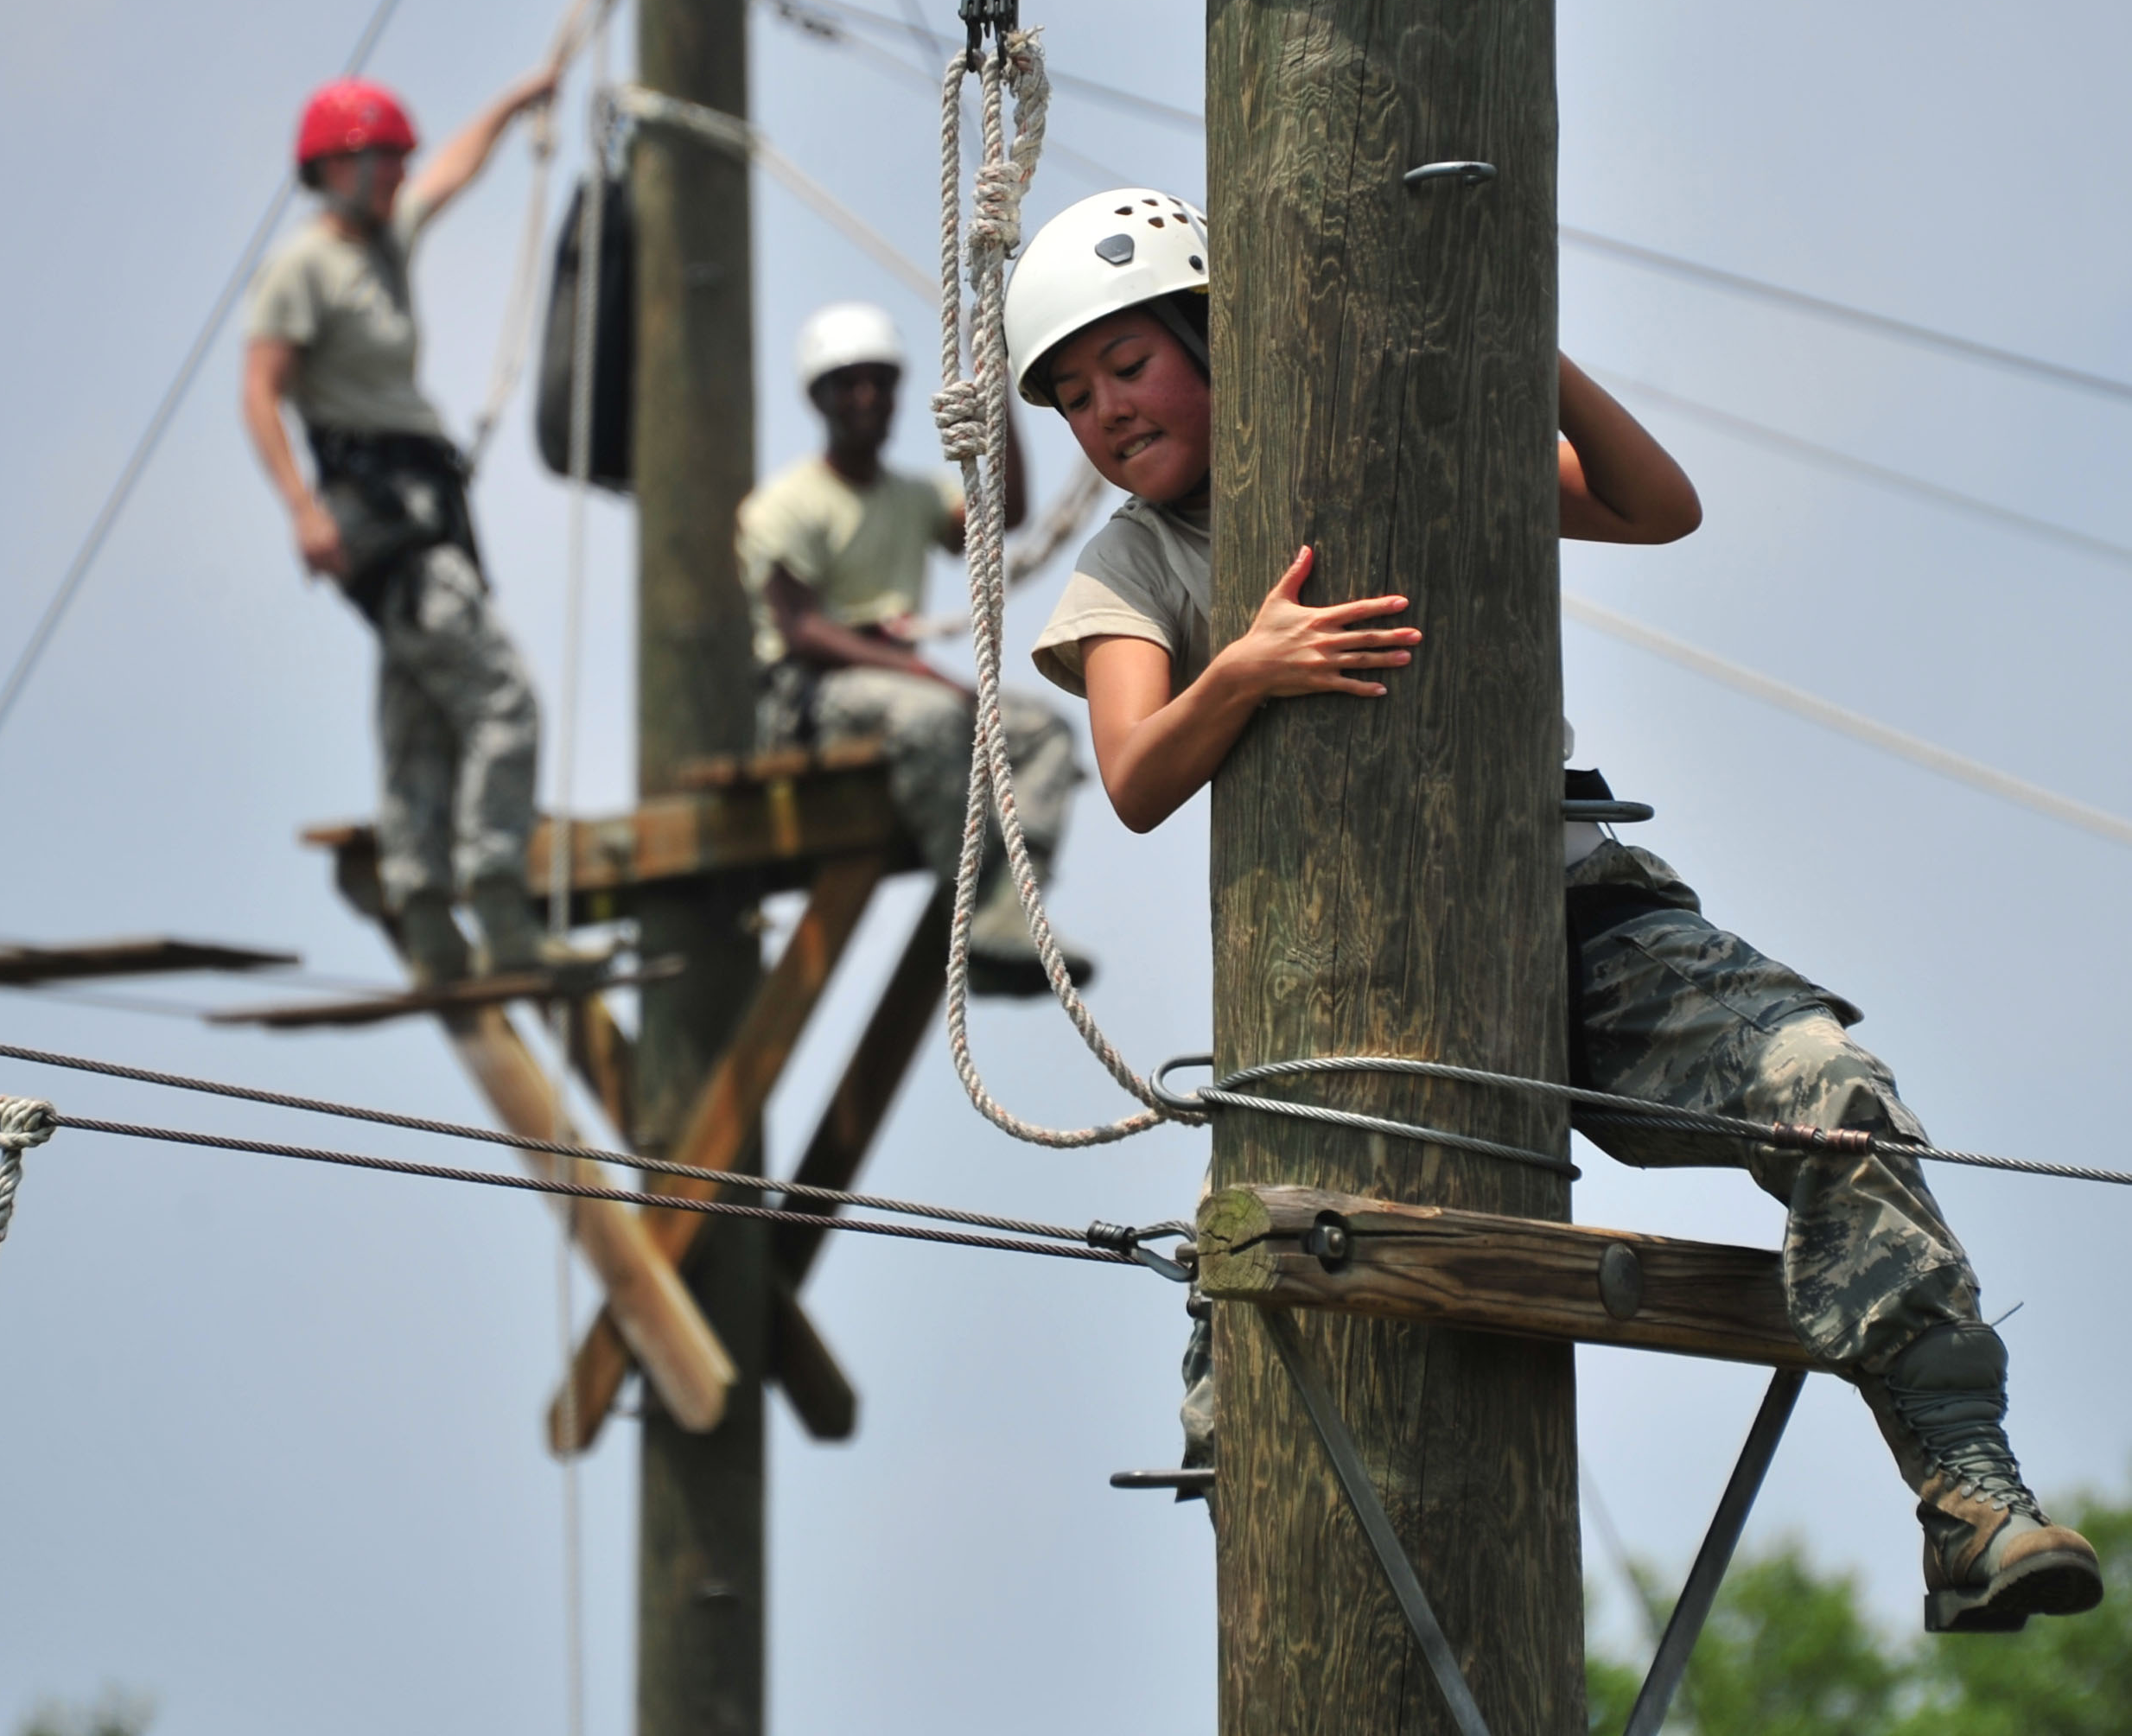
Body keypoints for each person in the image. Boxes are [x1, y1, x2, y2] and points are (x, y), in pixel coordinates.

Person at [1008, 186, 2103, 1631]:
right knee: (1272, 1285)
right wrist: (1249, 666)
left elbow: (1660, 507)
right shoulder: (1135, 564)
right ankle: (1301, 1624)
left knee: (1830, 1090)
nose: (1104, 413)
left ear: (1222, 338)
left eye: (1127, 365)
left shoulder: (1429, 449)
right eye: (1072, 398)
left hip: (1580, 917)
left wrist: (1526, 352)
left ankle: (1966, 1496)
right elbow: (1138, 773)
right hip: (1351, 973)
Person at [242, 68, 562, 984]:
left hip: (419, 509)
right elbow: (259, 391)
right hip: (382, 518)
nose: (396, 176)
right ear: (335, 169)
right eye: (380, 161)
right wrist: (301, 509)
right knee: (502, 701)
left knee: (418, 711)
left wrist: (515, 100)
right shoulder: (304, 267)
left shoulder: (384, 240)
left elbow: (452, 170)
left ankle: (427, 917)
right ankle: (497, 899)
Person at [736, 302, 1089, 995]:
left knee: (1043, 731)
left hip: (896, 683)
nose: (866, 398)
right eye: (848, 384)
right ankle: (975, 899)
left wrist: (997, 386)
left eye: (879, 382)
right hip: (809, 696)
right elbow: (801, 629)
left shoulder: (910, 496)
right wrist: (919, 672)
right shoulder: (785, 504)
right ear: (818, 398)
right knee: (932, 717)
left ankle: (1010, 903)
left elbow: (1007, 510)